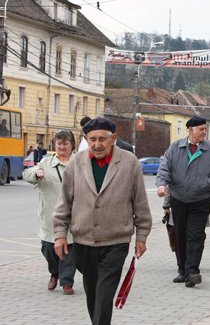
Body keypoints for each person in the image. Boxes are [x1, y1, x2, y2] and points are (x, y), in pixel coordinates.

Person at [53, 117, 152, 324]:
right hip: (84, 241)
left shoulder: (129, 162)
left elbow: (140, 202)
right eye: (92, 139)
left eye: (102, 139)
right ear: (85, 139)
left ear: (113, 138)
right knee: (93, 293)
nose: (97, 145)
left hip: (116, 241)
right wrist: (60, 235)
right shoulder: (76, 162)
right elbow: (64, 203)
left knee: (105, 293)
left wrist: (141, 236)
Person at [156, 116, 210, 288]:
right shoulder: (175, 148)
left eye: (205, 129)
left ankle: (193, 271)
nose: (204, 132)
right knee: (180, 236)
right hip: (178, 200)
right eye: (201, 129)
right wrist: (162, 185)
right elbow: (164, 168)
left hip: (200, 200)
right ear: (191, 130)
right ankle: (183, 270)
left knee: (196, 235)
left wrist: (204, 184)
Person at [23, 130, 77, 295]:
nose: (62, 147)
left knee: (70, 248)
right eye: (59, 144)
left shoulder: (79, 162)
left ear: (72, 146)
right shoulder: (46, 162)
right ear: (55, 145)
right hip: (49, 214)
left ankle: (67, 282)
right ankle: (54, 272)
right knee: (48, 247)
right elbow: (27, 173)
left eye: (65, 144)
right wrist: (36, 174)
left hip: (74, 214)